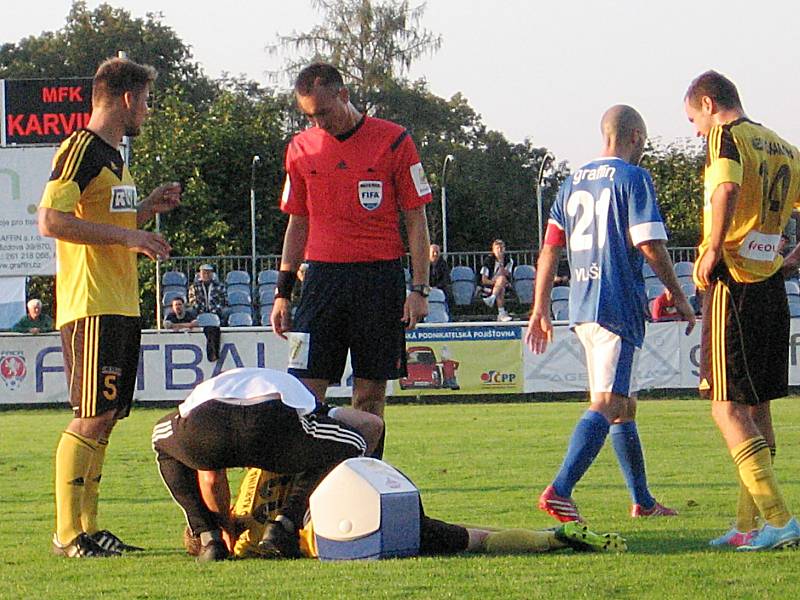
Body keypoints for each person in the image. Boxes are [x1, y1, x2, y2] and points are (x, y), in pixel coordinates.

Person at [37, 56, 180, 558]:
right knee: (90, 417)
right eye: (144, 99)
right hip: (92, 302)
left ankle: (89, 528)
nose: (147, 109)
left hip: (119, 303)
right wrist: (130, 233)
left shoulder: (116, 159)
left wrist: (144, 212)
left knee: (107, 417)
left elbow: (103, 223)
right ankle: (68, 533)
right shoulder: (82, 148)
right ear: (125, 99)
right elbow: (51, 220)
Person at [526, 105, 695, 524]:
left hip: (582, 305)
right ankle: (561, 489)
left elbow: (550, 248)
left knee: (625, 405)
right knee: (608, 401)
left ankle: (643, 500)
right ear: (635, 136)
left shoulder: (571, 181)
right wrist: (681, 295)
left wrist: (539, 308)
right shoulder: (634, 178)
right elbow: (649, 244)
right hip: (615, 304)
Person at [270, 63, 432, 457]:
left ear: (344, 95)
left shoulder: (393, 141)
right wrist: (283, 292)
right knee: (304, 395)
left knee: (370, 397)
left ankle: (366, 485)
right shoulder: (301, 148)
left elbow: (416, 218)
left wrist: (419, 288)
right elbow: (298, 222)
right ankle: (304, 492)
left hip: (379, 280)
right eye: (309, 115)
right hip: (322, 281)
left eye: (323, 112)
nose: (317, 122)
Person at [684, 70, 800, 550]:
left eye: (693, 118)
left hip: (734, 281)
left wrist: (712, 248)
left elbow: (725, 190)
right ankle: (749, 525)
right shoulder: (783, 146)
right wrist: (791, 256)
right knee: (757, 405)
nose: (695, 131)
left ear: (709, 104)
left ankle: (778, 519)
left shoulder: (726, 138)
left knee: (725, 406)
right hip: (771, 282)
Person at [152, 367, 384, 562]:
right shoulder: (290, 387)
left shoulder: (204, 395)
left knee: (161, 442)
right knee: (353, 443)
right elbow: (370, 424)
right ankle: (286, 524)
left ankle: (207, 537)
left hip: (208, 424)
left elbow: (211, 480)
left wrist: (224, 529)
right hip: (271, 420)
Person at [192, 462, 626, 561]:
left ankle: (552, 538)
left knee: (471, 541)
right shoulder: (256, 474)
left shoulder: (247, 545)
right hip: (359, 496)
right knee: (467, 534)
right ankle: (550, 534)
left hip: (346, 531)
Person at [188, 264, 226, 361]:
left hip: (216, 314)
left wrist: (213, 311)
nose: (206, 275)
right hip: (199, 314)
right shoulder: (194, 287)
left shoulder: (219, 286)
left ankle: (213, 353)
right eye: (204, 272)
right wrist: (202, 312)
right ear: (200, 274)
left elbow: (223, 300)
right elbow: (193, 301)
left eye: (208, 272)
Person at [480, 239, 514, 322]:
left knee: (502, 279)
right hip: (491, 284)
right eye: (497, 248)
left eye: (502, 248)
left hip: (504, 283)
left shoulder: (508, 260)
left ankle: (492, 298)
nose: (500, 250)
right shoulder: (488, 261)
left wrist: (501, 263)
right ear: (493, 250)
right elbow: (484, 280)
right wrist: (497, 284)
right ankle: (501, 313)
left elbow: (507, 275)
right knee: (500, 288)